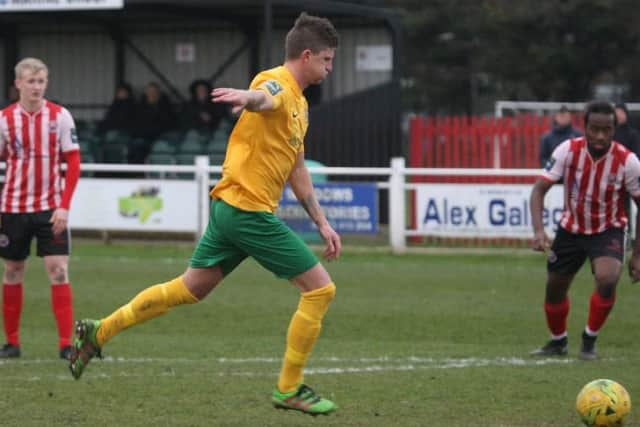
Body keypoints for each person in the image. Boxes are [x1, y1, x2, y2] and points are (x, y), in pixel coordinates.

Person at [69, 12, 341, 416]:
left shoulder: (301, 104)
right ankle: (289, 389)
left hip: (232, 208)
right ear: (306, 55)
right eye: (327, 60)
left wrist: (320, 220)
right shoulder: (276, 82)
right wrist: (248, 98)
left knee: (189, 289)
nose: (330, 68)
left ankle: (99, 330)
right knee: (320, 290)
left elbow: (297, 168)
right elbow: (265, 97)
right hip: (247, 210)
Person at [529, 101, 640, 360]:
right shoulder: (568, 150)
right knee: (555, 288)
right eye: (595, 129)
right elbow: (538, 190)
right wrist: (538, 230)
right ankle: (558, 342)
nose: (600, 136)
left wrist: (636, 254)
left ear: (614, 129)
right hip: (571, 230)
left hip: (608, 229)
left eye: (607, 129)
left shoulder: (628, 161)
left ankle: (589, 340)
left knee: (608, 278)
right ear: (585, 127)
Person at [0, 58, 81, 360]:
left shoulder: (60, 116)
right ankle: (12, 343)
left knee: (58, 270)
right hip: (12, 208)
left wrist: (64, 207)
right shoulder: (4, 119)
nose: (36, 87)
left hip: (50, 210)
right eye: (30, 81)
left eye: (41, 81)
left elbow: (73, 162)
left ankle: (65, 344)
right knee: (12, 270)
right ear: (18, 84)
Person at [129, 82, 176, 164]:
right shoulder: (139, 106)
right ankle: (137, 172)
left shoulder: (165, 106)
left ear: (158, 93)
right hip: (143, 136)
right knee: (138, 144)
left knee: (161, 146)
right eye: (150, 91)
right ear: (146, 93)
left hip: (161, 135)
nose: (152, 94)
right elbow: (135, 123)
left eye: (154, 91)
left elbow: (169, 123)